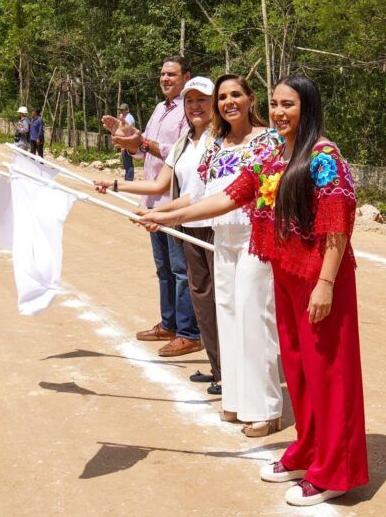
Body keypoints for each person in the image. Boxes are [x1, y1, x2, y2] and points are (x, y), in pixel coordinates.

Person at [142, 75, 368, 506]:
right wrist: (168, 218)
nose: (281, 113)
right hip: (285, 275)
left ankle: (335, 469)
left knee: (328, 372)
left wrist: (324, 284)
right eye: (277, 104)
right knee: (300, 371)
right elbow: (229, 197)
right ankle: (308, 449)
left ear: (308, 108)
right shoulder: (270, 153)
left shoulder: (323, 156)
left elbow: (338, 226)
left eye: (290, 105)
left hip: (320, 280)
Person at [141, 74, 283, 436]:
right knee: (230, 319)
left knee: (255, 321)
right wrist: (160, 212)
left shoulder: (269, 141)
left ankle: (266, 408)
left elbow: (240, 196)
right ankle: (236, 400)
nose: (228, 102)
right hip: (223, 238)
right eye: (223, 97)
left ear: (252, 99)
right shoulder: (217, 143)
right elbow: (198, 193)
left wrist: (169, 215)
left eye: (236, 94)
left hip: (257, 239)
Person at [96, 76, 220, 375]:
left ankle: (223, 366)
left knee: (219, 299)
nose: (194, 107)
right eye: (190, 101)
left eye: (202, 100)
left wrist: (165, 214)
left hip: (213, 226)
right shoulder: (184, 142)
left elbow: (201, 194)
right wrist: (115, 185)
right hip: (188, 224)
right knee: (202, 296)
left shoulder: (220, 140)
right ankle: (221, 370)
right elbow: (159, 183)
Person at [102, 56, 199, 357]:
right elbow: (147, 153)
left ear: (186, 76)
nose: (166, 79)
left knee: (182, 270)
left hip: (175, 201)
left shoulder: (191, 110)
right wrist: (128, 139)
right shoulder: (160, 109)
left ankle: (188, 332)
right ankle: (169, 323)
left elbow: (179, 152)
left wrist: (141, 142)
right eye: (162, 74)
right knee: (164, 269)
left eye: (172, 74)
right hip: (154, 201)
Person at [118, 103, 137, 180]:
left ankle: (129, 179)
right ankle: (127, 178)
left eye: (122, 110)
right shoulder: (127, 118)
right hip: (128, 142)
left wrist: (123, 145)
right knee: (126, 162)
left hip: (128, 142)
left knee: (128, 162)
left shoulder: (128, 118)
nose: (121, 112)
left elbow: (127, 132)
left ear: (127, 110)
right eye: (120, 110)